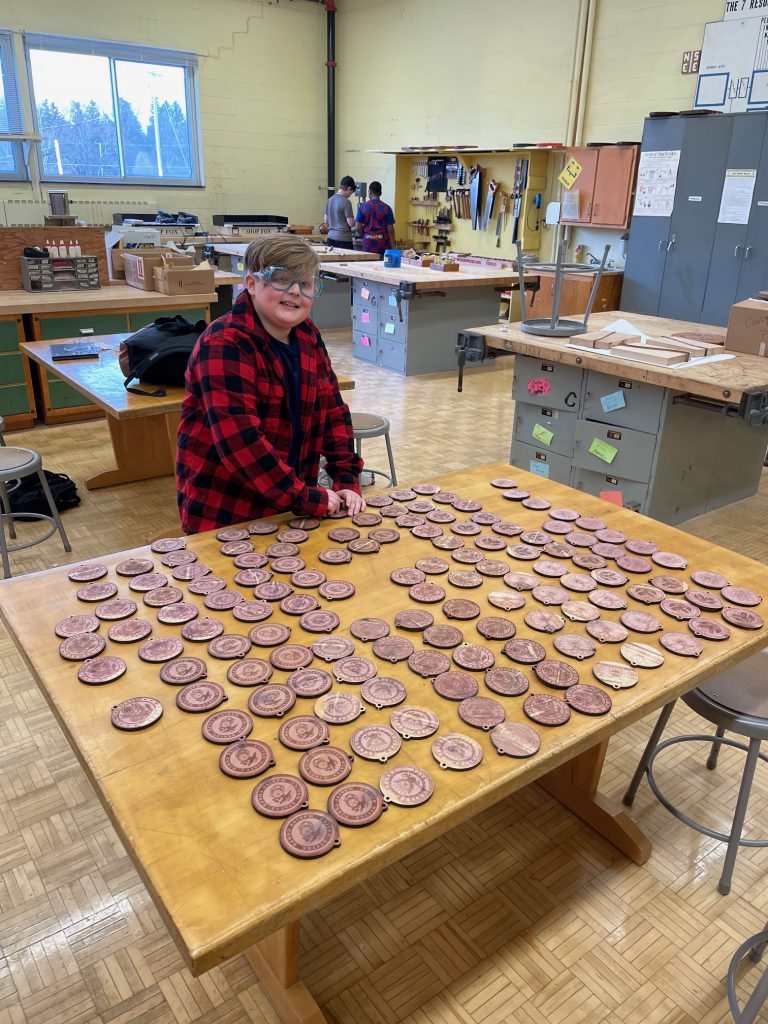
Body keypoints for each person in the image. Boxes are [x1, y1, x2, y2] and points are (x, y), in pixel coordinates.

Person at [177, 234, 365, 533]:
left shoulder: (306, 335)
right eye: (281, 279)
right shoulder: (224, 344)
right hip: (229, 511)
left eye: (305, 284)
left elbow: (332, 411)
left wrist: (345, 478)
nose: (294, 292)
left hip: (289, 505)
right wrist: (304, 496)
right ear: (251, 284)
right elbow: (241, 443)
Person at [355, 181, 396, 255]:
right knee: (382, 265)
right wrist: (393, 248)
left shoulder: (362, 207)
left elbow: (357, 228)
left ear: (369, 192)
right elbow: (390, 229)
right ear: (380, 193)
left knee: (367, 266)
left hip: (368, 245)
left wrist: (365, 235)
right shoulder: (387, 208)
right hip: (382, 244)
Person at [323, 174, 356, 250]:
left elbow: (326, 221)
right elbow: (351, 223)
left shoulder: (330, 200)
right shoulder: (346, 202)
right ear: (349, 188)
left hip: (330, 237)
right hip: (343, 240)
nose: (350, 195)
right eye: (351, 192)